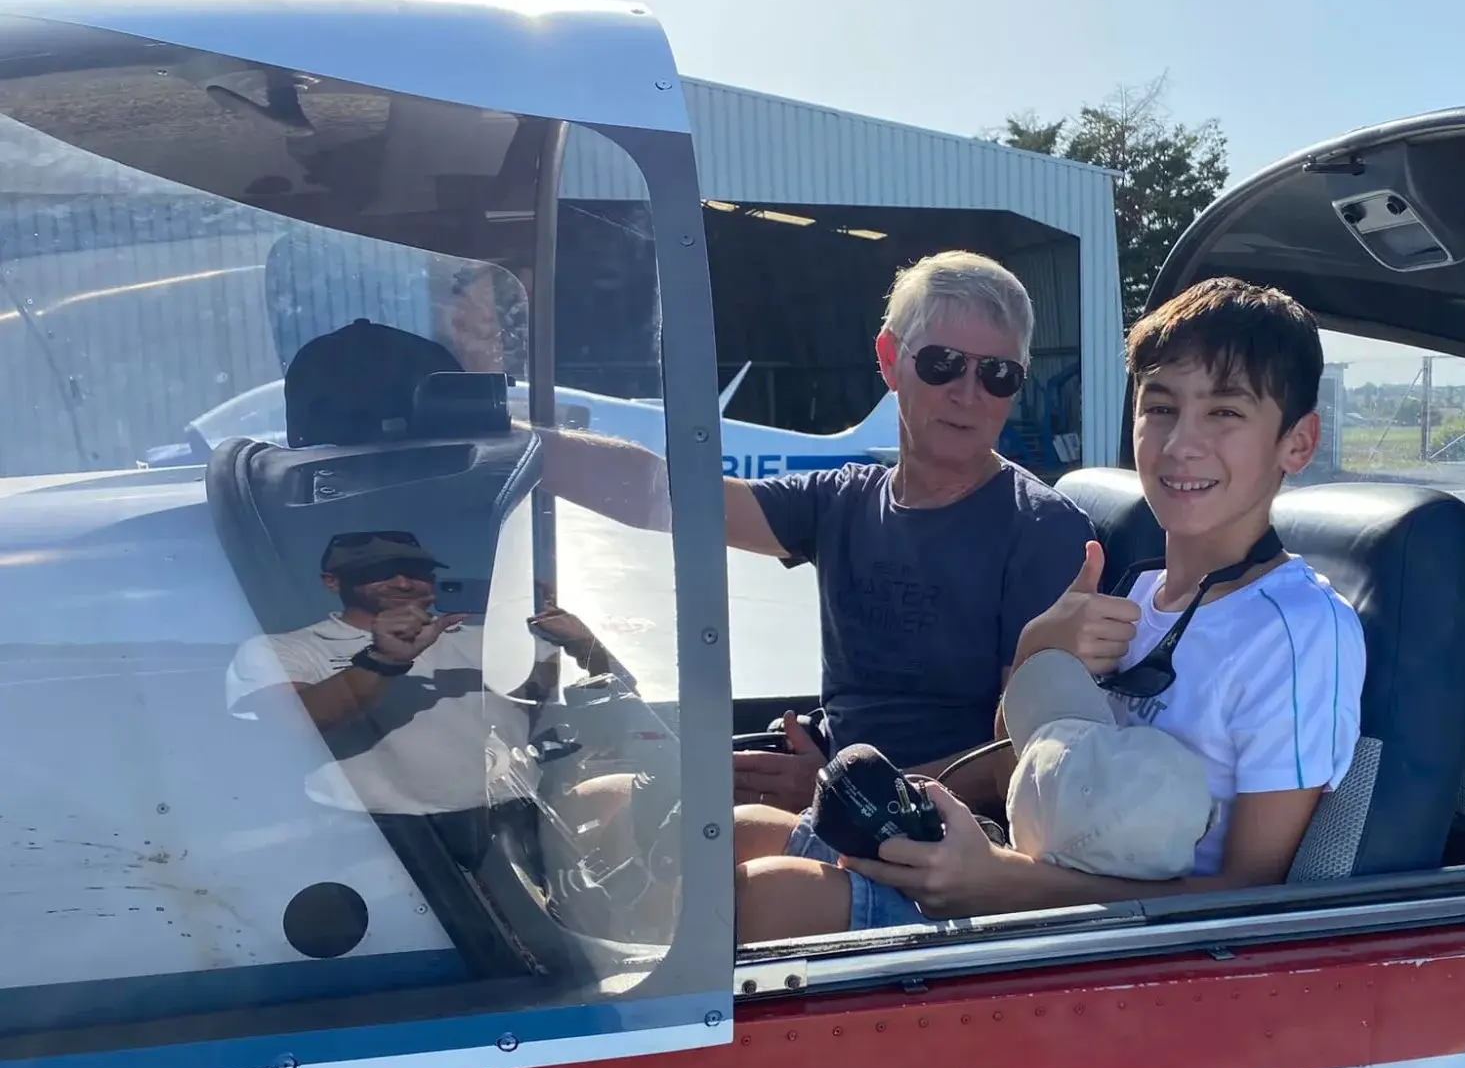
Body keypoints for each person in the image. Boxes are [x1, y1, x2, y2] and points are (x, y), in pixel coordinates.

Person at [734, 277, 1367, 941]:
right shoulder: (1131, 595)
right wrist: (1040, 648)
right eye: (1161, 408)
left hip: (1110, 947)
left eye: (1225, 413)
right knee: (733, 840)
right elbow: (1028, 755)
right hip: (1019, 879)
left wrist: (1000, 883)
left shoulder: (1298, 630)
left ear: (1297, 444)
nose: (1182, 443)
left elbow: (1253, 894)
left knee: (764, 900)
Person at [534, 250, 1096, 813]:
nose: (968, 393)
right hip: (831, 783)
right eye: (942, 364)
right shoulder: (843, 500)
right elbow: (668, 496)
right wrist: (522, 450)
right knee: (589, 805)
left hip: (939, 834)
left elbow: (1020, 757)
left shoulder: (1044, 533)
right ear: (889, 359)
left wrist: (844, 793)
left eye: (997, 375)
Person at [224, 530, 615, 866]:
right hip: (376, 838)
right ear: (331, 582)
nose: (402, 583)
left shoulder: (495, 641)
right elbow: (289, 725)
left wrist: (586, 644)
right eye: (377, 573)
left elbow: (603, 698)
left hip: (514, 825)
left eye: (416, 572)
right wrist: (384, 661)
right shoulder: (282, 649)